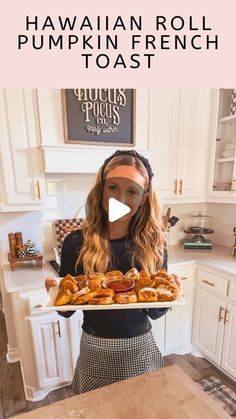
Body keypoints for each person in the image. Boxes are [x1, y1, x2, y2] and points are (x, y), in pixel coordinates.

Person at [45, 149, 180, 394]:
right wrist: (56, 294)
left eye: (131, 191)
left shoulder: (154, 244)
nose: (120, 198)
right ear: (101, 190)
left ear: (143, 198)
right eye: (113, 187)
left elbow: (155, 313)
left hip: (140, 348)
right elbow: (67, 311)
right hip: (95, 349)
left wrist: (169, 294)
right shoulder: (76, 243)